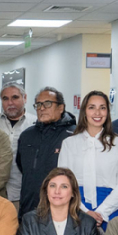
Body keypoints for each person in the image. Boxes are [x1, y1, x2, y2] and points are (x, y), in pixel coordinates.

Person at [58, 91, 118, 229]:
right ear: (84, 111)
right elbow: (63, 182)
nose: (97, 112)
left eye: (102, 107)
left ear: (108, 112)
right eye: (92, 107)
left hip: (111, 210)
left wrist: (101, 212)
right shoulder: (69, 144)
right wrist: (85, 212)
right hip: (76, 208)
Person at [16, 87, 76, 217]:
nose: (41, 108)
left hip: (62, 211)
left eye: (47, 104)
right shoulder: (27, 135)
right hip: (29, 208)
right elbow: (22, 166)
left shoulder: (74, 135)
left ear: (61, 108)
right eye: (38, 104)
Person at [0, 83, 36, 212]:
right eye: (5, 99)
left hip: (24, 195)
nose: (10, 103)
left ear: (24, 98)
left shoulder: (36, 124)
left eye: (15, 97)